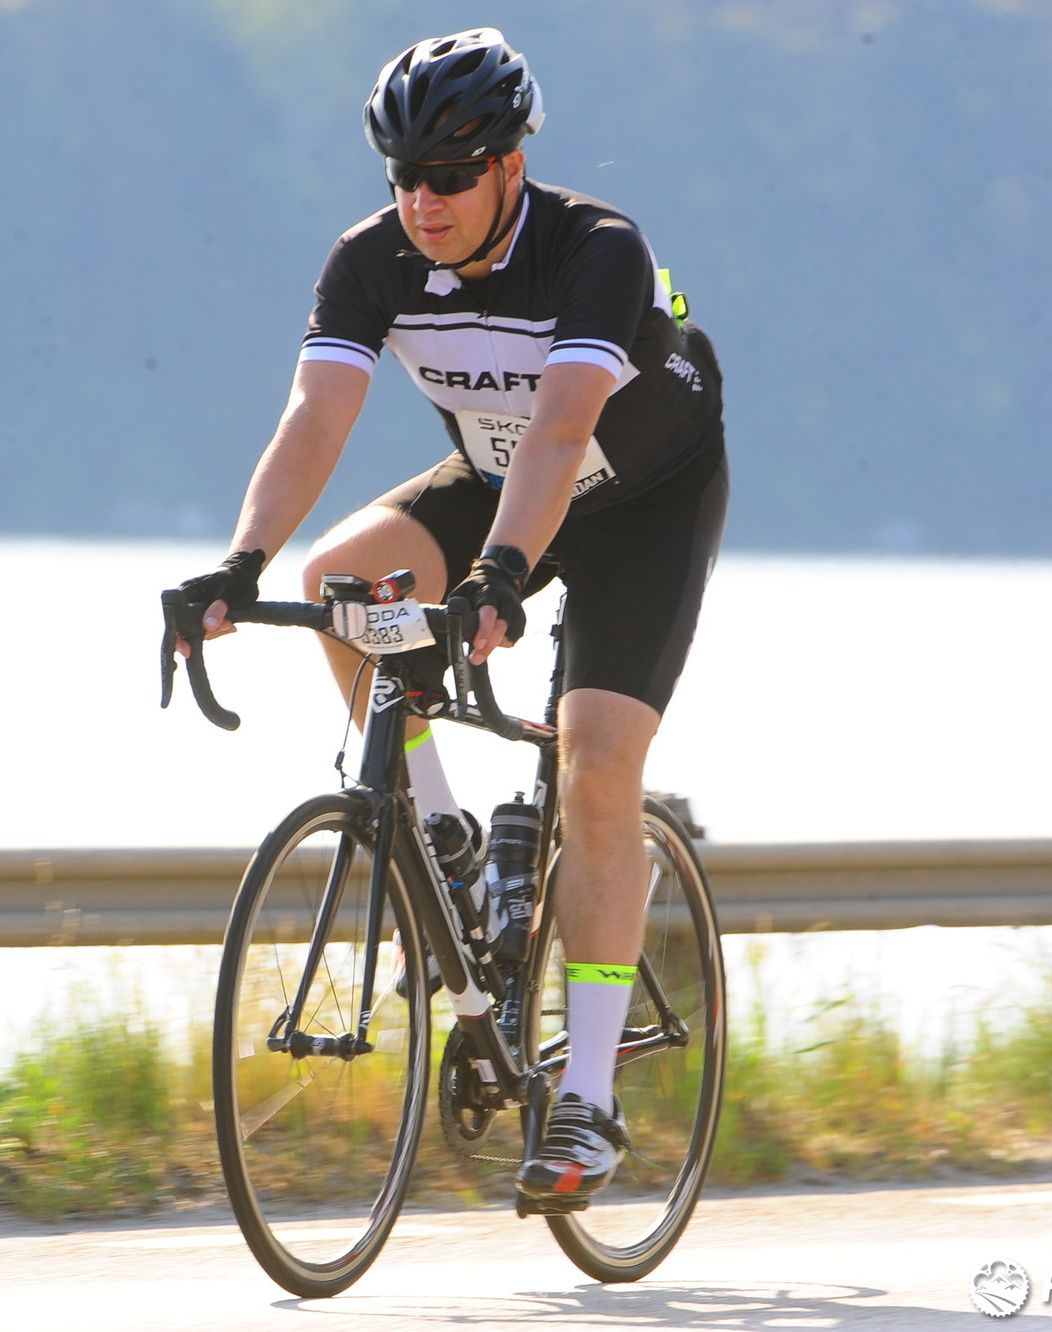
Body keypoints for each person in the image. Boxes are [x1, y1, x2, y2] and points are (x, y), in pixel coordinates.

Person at [175, 28, 728, 1210]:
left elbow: (563, 430)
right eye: (402, 178)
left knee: (594, 764)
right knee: (339, 587)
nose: (421, 203)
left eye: (448, 176)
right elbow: (316, 417)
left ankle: (585, 1097)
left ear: (509, 166)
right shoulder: (370, 259)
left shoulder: (594, 250)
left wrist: (498, 577)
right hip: (497, 478)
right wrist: (237, 563)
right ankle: (449, 849)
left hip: (641, 499)